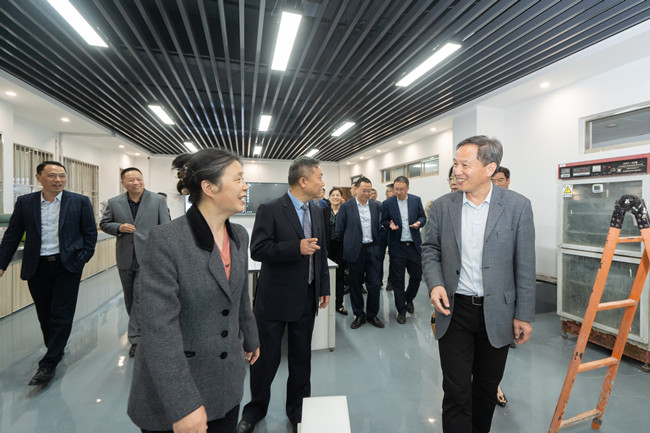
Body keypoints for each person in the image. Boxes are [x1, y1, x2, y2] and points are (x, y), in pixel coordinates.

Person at [127, 149, 260, 433]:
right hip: (176, 390)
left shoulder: (239, 235)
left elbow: (239, 295)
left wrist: (250, 338)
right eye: (238, 179)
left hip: (225, 383)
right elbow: (158, 329)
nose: (246, 186)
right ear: (209, 188)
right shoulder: (166, 240)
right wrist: (183, 404)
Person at [422, 136, 535, 433]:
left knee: (486, 389)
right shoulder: (443, 206)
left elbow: (525, 264)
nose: (456, 171)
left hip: (497, 313)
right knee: (456, 391)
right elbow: (431, 249)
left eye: (465, 165)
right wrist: (435, 284)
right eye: (455, 164)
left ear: (489, 168)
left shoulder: (517, 206)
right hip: (454, 310)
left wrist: (523, 314)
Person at [238, 156, 330, 433]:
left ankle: (298, 411)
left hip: (307, 298)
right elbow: (258, 249)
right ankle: (254, 410)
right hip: (274, 301)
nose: (323, 183)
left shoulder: (317, 210)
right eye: (319, 177)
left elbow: (321, 252)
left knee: (302, 360)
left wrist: (323, 287)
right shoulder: (270, 209)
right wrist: (295, 248)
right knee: (265, 361)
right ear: (303, 181)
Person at [0, 160, 97, 386]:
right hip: (37, 266)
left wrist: (81, 259)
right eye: (52, 176)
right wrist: (1, 263)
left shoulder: (80, 201)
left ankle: (48, 364)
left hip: (67, 266)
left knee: (61, 315)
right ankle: (55, 348)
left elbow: (90, 234)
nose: (58, 180)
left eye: (62, 176)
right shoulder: (25, 202)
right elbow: (13, 234)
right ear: (38, 178)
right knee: (44, 314)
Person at [100, 168, 170, 358]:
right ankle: (141, 331)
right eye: (131, 180)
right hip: (125, 257)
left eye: (139, 179)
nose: (136, 182)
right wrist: (119, 227)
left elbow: (165, 228)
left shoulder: (157, 200)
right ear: (123, 182)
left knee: (140, 297)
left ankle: (137, 339)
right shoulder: (114, 202)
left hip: (148, 257)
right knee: (130, 298)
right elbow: (104, 223)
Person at [336, 176, 384, 329]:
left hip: (372, 249)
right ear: (355, 189)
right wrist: (351, 241)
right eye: (364, 190)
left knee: (374, 285)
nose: (367, 194)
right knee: (355, 285)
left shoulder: (376, 206)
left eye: (369, 191)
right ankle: (359, 315)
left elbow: (379, 226)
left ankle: (372, 315)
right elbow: (339, 229)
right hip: (355, 251)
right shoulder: (346, 207)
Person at [380, 176, 426, 324]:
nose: (398, 192)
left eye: (401, 189)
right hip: (397, 246)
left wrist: (419, 223)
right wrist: (389, 225)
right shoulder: (388, 203)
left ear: (407, 188)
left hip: (413, 246)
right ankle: (401, 310)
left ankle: (408, 298)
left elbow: (423, 217)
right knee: (398, 280)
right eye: (396, 189)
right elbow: (383, 220)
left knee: (416, 276)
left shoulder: (415, 200)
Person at [323, 187, 347, 315]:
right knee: (326, 275)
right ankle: (326, 302)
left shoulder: (345, 210)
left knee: (340, 276)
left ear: (342, 198)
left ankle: (339, 304)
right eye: (333, 195)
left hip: (342, 247)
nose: (335, 197)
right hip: (327, 248)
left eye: (338, 195)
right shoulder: (324, 211)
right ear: (329, 197)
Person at [382, 183, 395, 291]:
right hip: (383, 233)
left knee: (393, 259)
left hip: (394, 234)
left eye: (387, 191)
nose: (385, 194)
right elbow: (383, 219)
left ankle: (390, 282)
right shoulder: (385, 203)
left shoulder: (399, 204)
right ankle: (378, 281)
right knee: (379, 258)